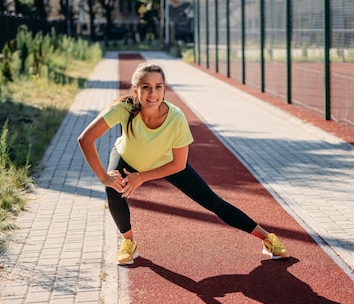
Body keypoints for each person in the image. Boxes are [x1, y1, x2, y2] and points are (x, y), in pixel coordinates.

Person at [78, 61, 289, 265]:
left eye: (158, 87)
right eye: (146, 87)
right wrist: (103, 176)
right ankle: (128, 242)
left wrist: (141, 177)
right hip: (127, 158)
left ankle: (268, 238)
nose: (153, 93)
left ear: (164, 90)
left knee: (212, 202)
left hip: (165, 162)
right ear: (135, 90)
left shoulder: (176, 117)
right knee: (112, 189)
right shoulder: (124, 109)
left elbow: (179, 165)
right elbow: (85, 139)